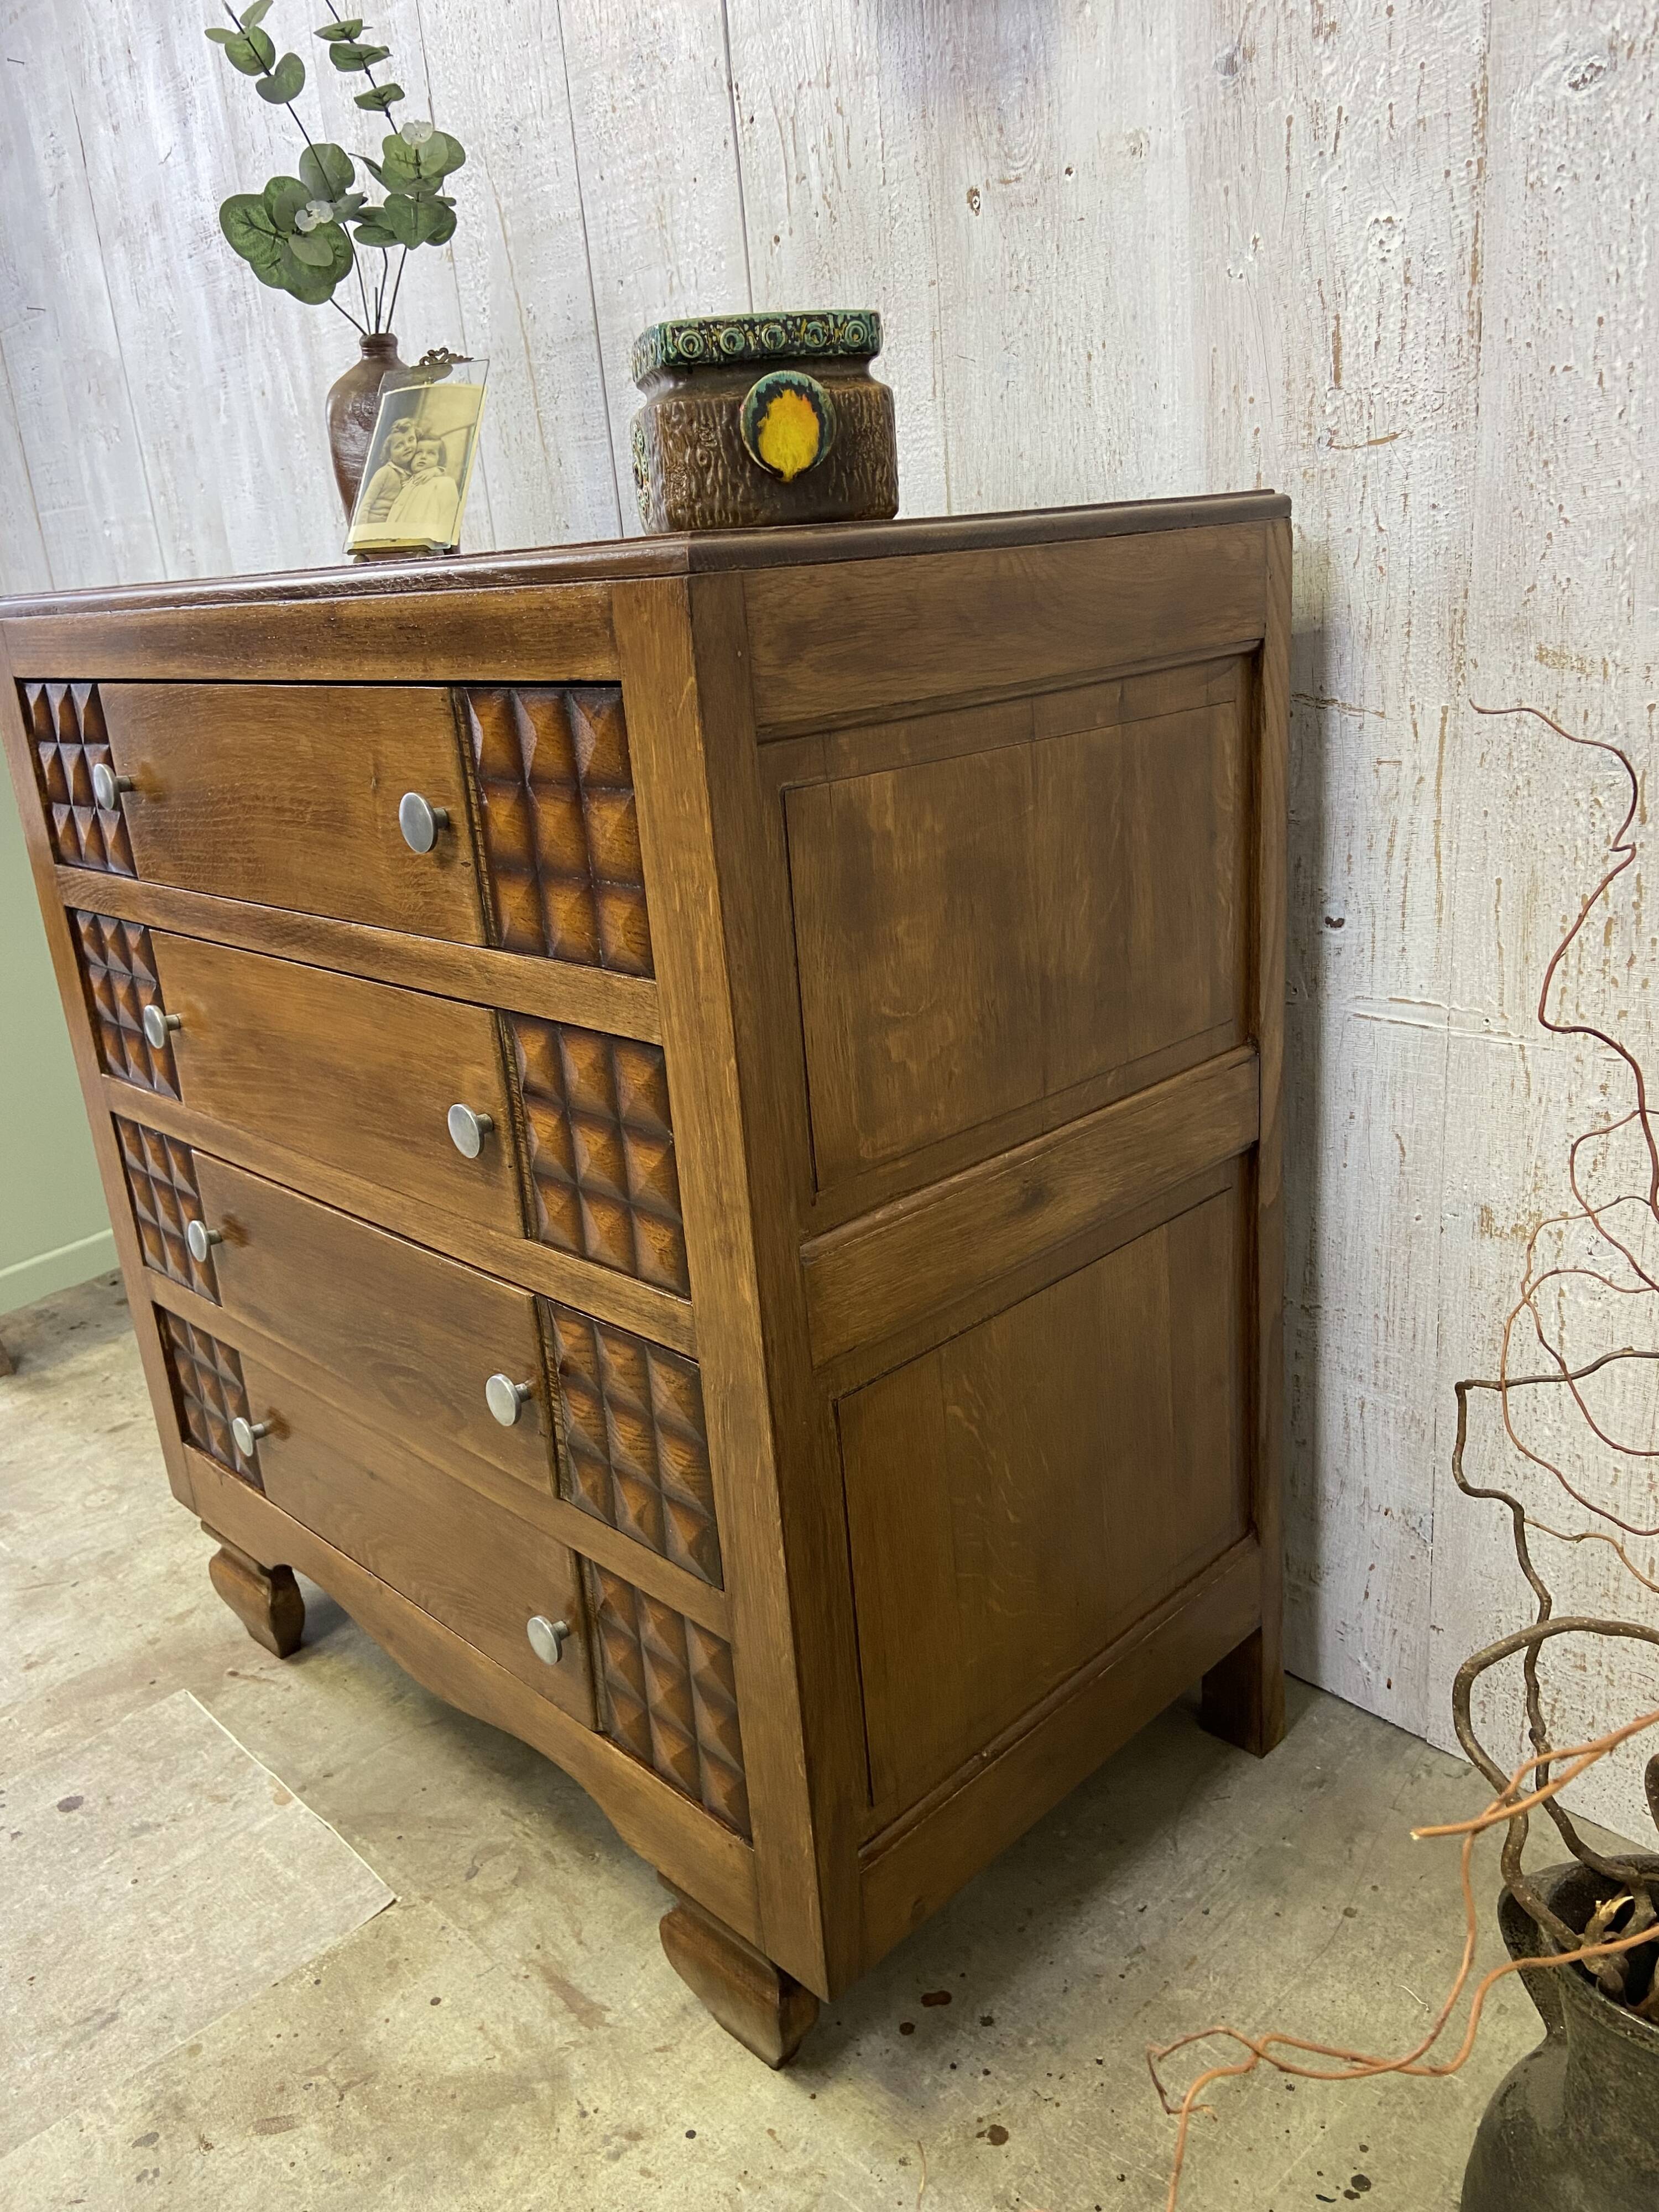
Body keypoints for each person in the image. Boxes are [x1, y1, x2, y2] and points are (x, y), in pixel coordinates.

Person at [381, 435, 461, 545]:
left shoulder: (445, 483)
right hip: (395, 546)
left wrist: (441, 542)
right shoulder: (405, 483)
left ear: (440, 460)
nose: (423, 457)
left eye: (431, 453)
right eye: (418, 452)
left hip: (425, 546)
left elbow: (449, 517)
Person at [356, 416, 418, 526]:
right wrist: (362, 535)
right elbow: (365, 505)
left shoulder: (414, 471)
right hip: (374, 526)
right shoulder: (384, 473)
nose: (407, 447)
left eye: (411, 440)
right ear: (389, 454)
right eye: (399, 446)